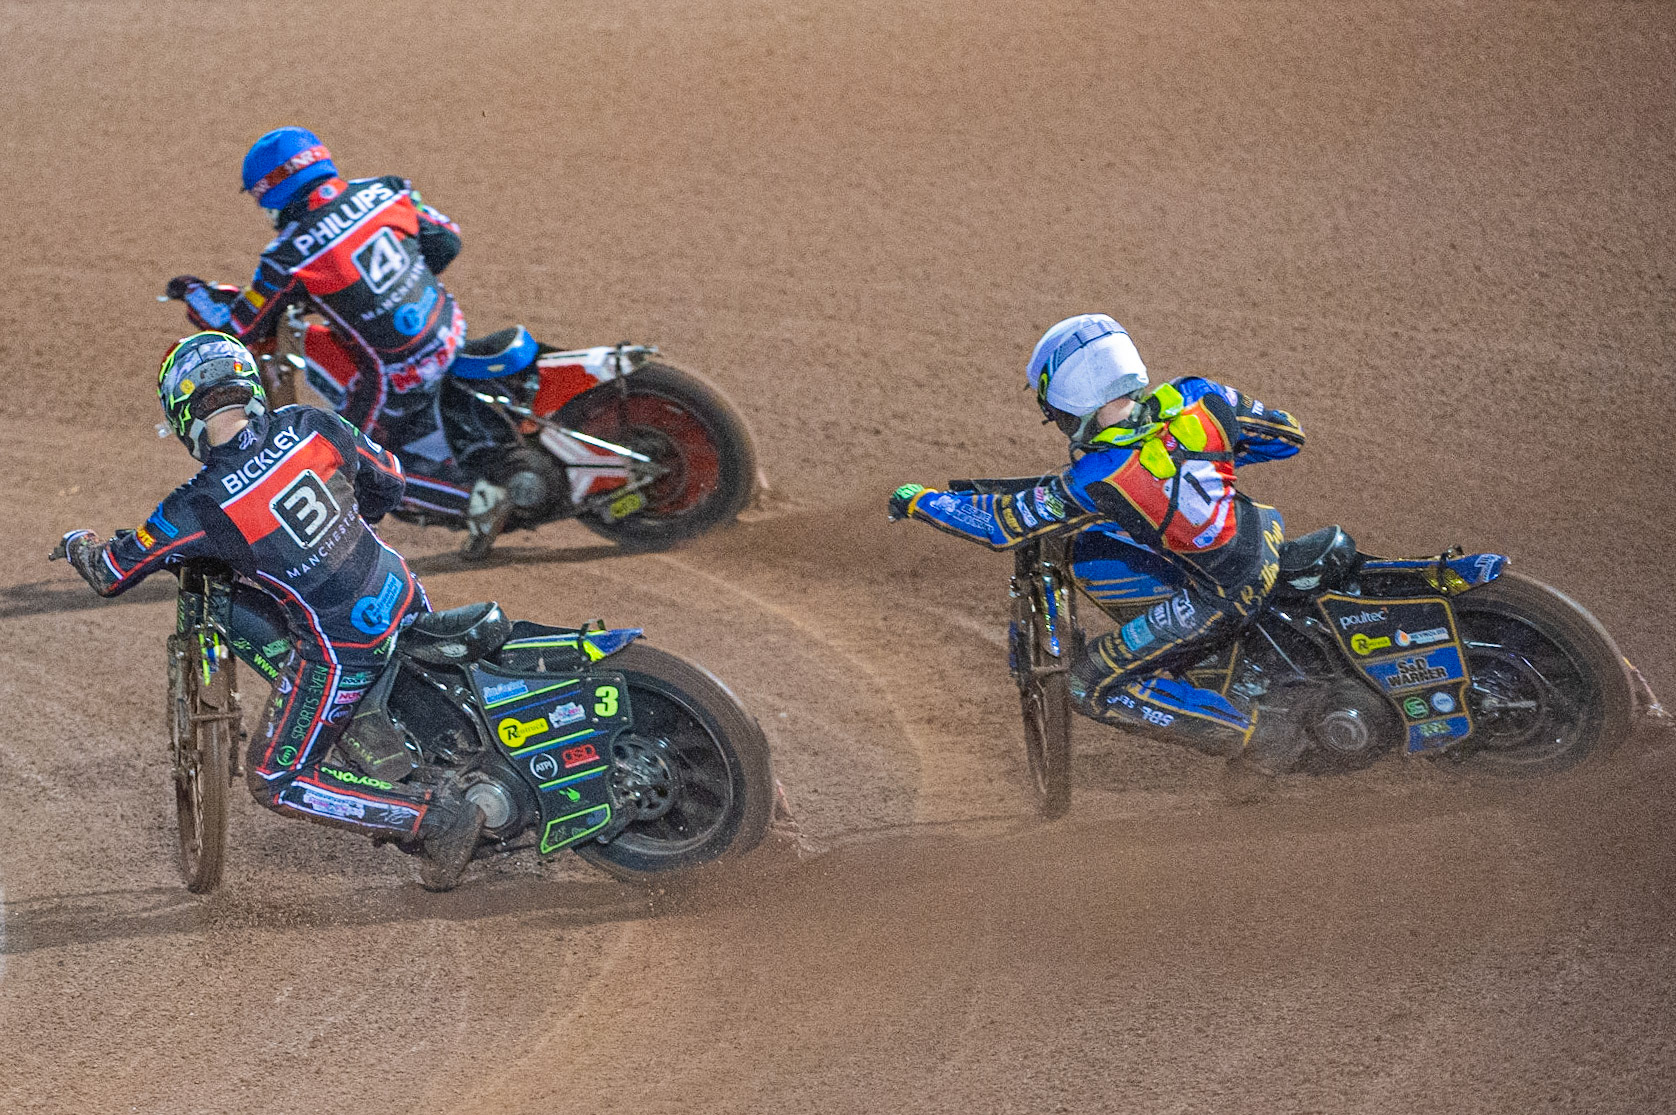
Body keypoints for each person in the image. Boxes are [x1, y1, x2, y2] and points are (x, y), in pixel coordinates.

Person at [53, 331, 484, 889]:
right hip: (401, 590)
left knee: (273, 779)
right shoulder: (309, 423)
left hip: (343, 647)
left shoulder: (199, 504)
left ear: (184, 413)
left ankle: (434, 820)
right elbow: (392, 482)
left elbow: (111, 574)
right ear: (250, 386)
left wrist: (76, 545)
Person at [888, 314, 1308, 771]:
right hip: (1265, 536)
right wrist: (1201, 460)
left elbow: (1001, 525)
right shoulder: (1197, 394)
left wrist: (921, 502)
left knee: (1087, 686)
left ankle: (1259, 737)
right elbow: (1286, 437)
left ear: (1069, 403)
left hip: (1221, 595)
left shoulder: (1097, 476)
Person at [167, 126, 535, 558]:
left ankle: (477, 501)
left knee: (351, 465)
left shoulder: (289, 256)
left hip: (398, 374)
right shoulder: (387, 190)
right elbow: (446, 240)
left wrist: (193, 294)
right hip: (450, 328)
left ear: (272, 192)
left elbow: (238, 328)